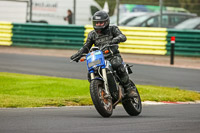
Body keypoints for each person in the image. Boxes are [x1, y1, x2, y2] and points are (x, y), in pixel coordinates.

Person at [70, 10, 137, 98]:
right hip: (99, 58)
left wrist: (116, 39)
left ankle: (129, 89)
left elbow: (123, 36)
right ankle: (99, 91)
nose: (98, 25)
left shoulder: (113, 29)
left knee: (117, 65)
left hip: (113, 56)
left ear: (106, 22)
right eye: (96, 23)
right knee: (91, 73)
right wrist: (78, 54)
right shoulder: (92, 35)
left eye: (100, 23)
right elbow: (86, 47)